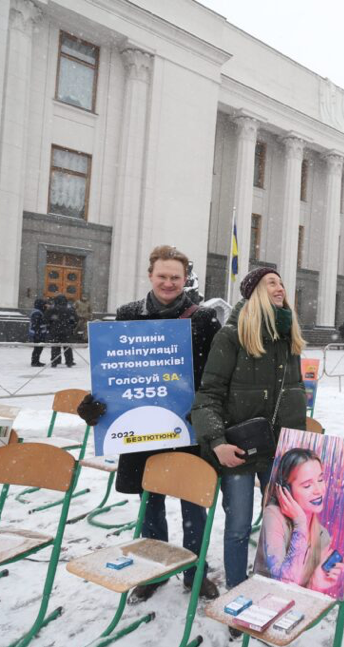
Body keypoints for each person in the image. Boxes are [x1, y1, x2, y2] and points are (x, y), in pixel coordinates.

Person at [77, 245, 221, 602]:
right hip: (143, 426)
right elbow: (117, 367)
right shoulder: (128, 314)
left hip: (186, 425)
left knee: (192, 502)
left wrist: (205, 410)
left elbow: (215, 375)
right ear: (150, 275)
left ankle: (195, 570)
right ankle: (155, 568)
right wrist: (97, 404)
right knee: (149, 501)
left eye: (175, 277)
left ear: (185, 279)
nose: (168, 283)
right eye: (162, 276)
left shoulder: (203, 319)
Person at [191, 266, 306, 636]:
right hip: (238, 450)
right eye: (271, 282)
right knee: (239, 526)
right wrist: (217, 442)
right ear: (254, 292)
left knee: (282, 524)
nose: (280, 287)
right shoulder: (231, 336)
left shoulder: (288, 335)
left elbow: (293, 396)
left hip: (279, 450)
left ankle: (275, 591)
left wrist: (300, 449)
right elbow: (208, 396)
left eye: (281, 282)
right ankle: (238, 597)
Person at [254, 448, 344, 594]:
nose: (319, 490)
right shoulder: (274, 516)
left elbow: (299, 593)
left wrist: (316, 584)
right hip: (267, 596)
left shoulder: (322, 535)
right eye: (307, 485)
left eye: (320, 480)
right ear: (286, 490)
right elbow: (282, 583)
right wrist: (300, 523)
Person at [46, 295, 76, 368]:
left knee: (55, 346)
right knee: (67, 347)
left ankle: (55, 361)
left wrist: (50, 326)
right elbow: (75, 319)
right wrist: (71, 327)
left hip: (55, 331)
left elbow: (46, 318)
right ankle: (69, 361)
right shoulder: (70, 310)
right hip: (67, 331)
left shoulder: (52, 309)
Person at [28, 298, 48, 367]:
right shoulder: (37, 313)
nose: (45, 306)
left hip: (38, 333)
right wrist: (38, 333)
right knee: (38, 348)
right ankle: (35, 362)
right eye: (44, 304)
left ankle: (36, 361)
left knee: (38, 348)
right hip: (38, 334)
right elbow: (36, 324)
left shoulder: (38, 311)